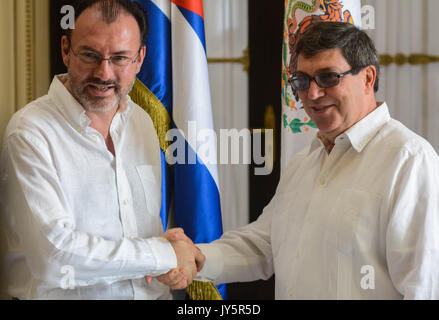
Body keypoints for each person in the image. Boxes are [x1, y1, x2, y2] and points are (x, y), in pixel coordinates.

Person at [156, 22, 439, 299]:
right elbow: (264, 244)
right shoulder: (305, 160)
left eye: (329, 77)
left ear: (368, 78)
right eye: (302, 81)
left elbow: (423, 286)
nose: (312, 94)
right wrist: (197, 257)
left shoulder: (409, 160)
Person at [0, 0, 203, 300]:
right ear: (66, 49)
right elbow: (55, 258)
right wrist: (162, 253)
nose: (104, 73)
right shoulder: (30, 132)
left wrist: (164, 248)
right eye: (90, 55)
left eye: (120, 58)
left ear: (140, 58)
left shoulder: (142, 124)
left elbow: (135, 234)